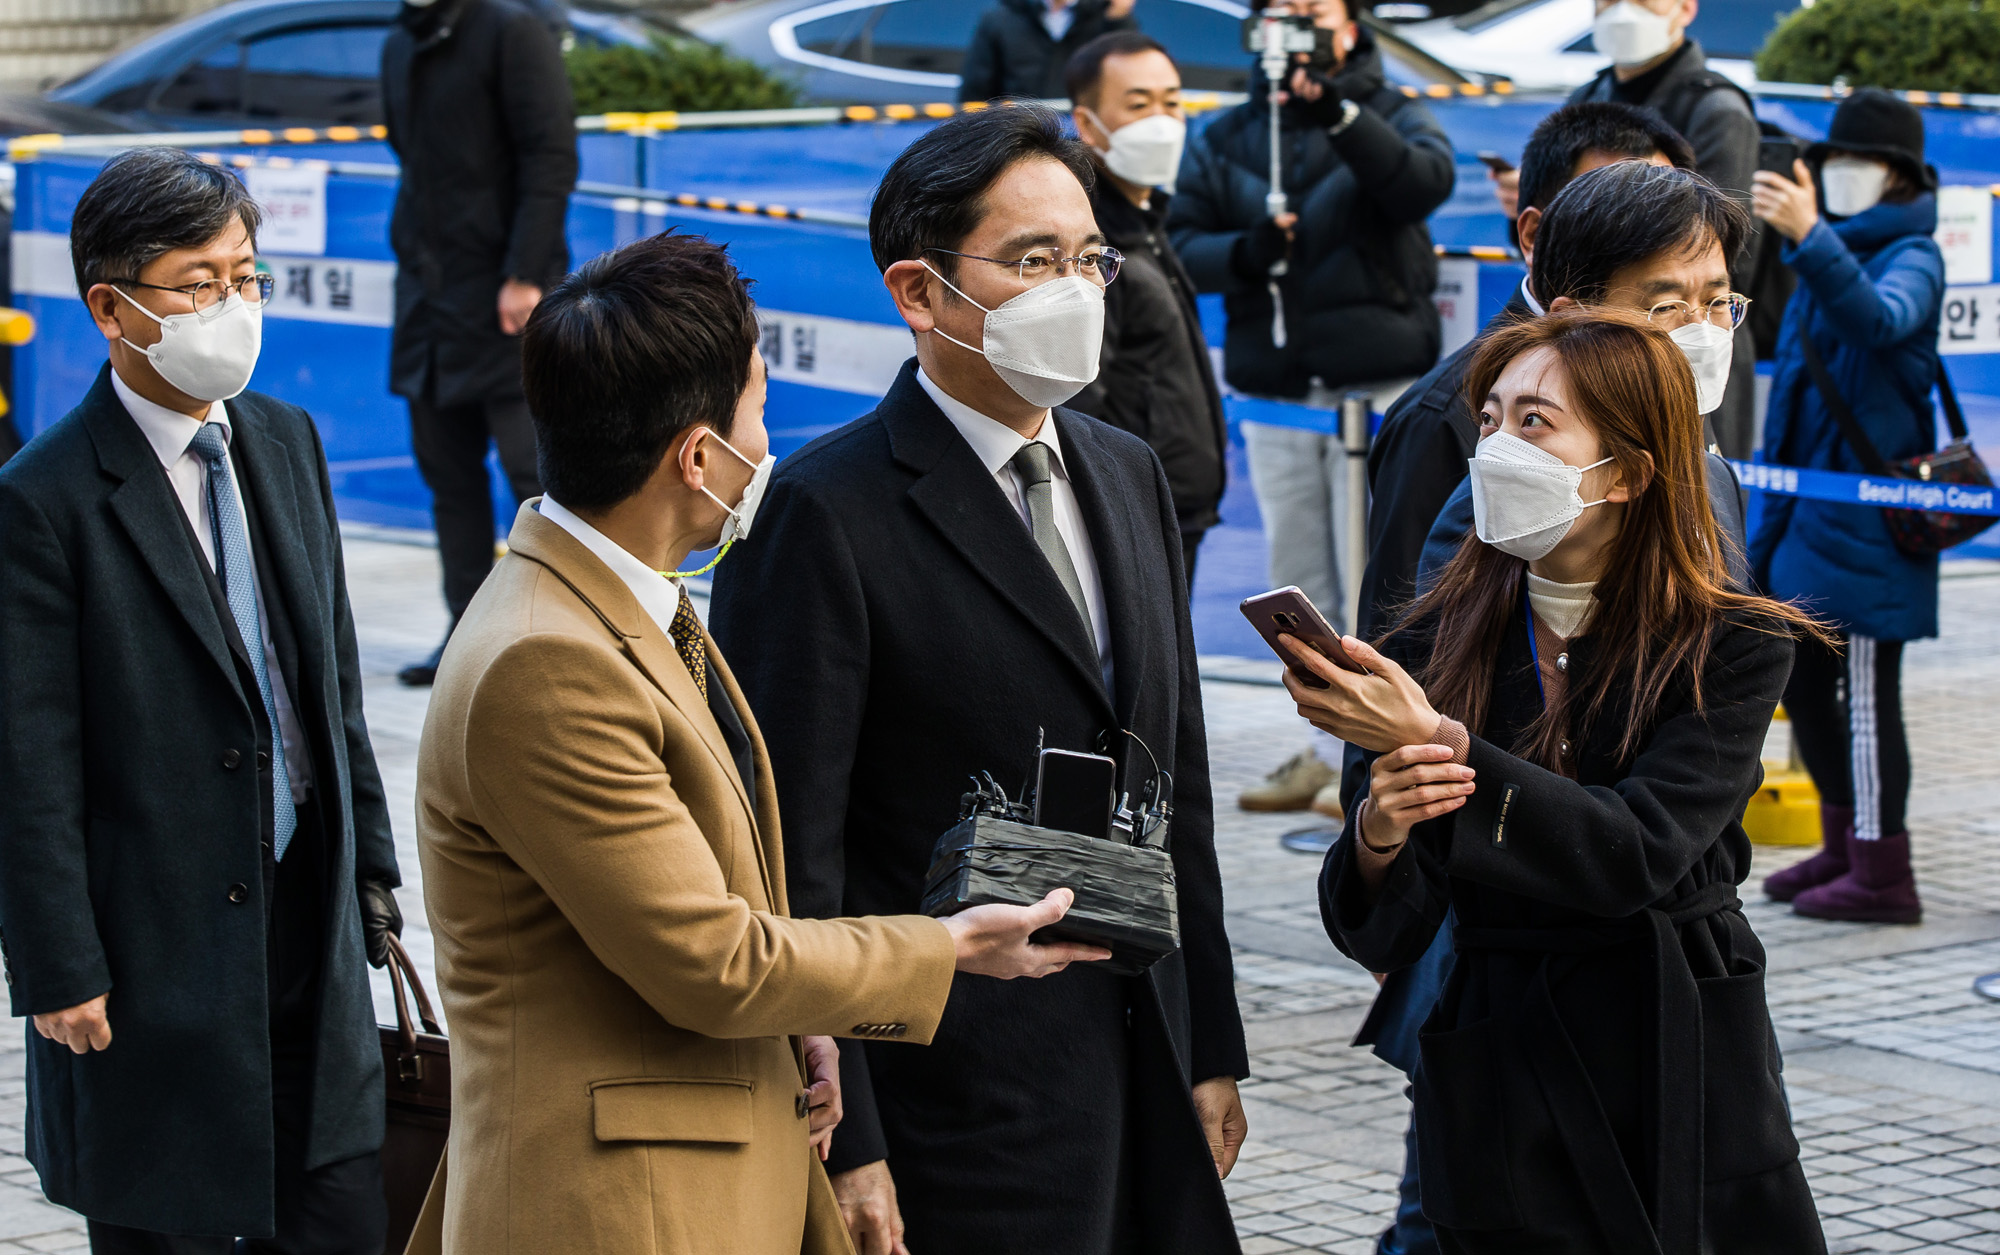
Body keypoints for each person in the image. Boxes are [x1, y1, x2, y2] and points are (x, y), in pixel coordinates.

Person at [406, 230, 1107, 1255]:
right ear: (697, 456)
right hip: (619, 1207)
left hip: (704, 1161)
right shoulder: (543, 660)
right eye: (758, 412)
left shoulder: (625, 605)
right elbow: (711, 959)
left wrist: (800, 1034)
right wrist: (950, 948)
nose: (766, 444)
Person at [710, 106, 1248, 1255]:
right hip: (952, 1090)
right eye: (1031, 261)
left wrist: (1210, 1046)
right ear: (919, 292)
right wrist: (852, 1138)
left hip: (1139, 1053)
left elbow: (1176, 784)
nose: (1076, 289)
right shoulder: (823, 512)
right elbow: (792, 850)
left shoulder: (1125, 469)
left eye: (1087, 258)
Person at [1302, 306, 1828, 1255]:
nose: (1498, 445)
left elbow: (1635, 852)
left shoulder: (1735, 640)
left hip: (1674, 1036)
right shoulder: (1430, 632)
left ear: (1627, 470)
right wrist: (1379, 832)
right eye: (1492, 419)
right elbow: (1380, 925)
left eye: (1535, 422)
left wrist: (1442, 746)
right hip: (1501, 1045)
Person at [0, 147, 404, 1253]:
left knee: (336, 1207)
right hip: (151, 950)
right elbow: (28, 762)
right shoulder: (43, 502)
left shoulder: (283, 440)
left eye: (245, 275)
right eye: (196, 283)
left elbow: (330, 675)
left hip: (304, 917)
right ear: (112, 308)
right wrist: (59, 967)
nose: (231, 305)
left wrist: (370, 867)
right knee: (171, 1214)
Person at [1342, 101, 1696, 1255]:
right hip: (1486, 962)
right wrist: (1390, 822)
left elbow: (1669, 817)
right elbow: (1391, 696)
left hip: (1658, 1004)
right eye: (1659, 302)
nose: (1685, 335)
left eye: (1710, 304)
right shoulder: (1469, 461)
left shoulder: (1702, 481)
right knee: (1445, 1213)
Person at [1169, 0, 1454, 813]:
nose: (1291, 21)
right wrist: (1247, 253)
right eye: (1274, 10)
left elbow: (1418, 185)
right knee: (1297, 580)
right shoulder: (1226, 134)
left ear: (1352, 24)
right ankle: (1321, 748)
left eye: (1311, 8)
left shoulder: (1388, 108)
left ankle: (1377, 754)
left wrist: (1338, 114)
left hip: (1377, 385)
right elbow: (1184, 244)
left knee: (1382, 571)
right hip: (1278, 387)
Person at [1751, 89, 1946, 925]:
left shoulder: (1915, 254)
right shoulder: (1816, 253)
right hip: (1807, 517)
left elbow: (1878, 322)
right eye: (1830, 162)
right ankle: (1841, 845)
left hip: (1870, 524)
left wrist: (1812, 236)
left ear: (1895, 175)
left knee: (1867, 701)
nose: (1836, 176)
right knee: (1805, 681)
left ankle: (1883, 871)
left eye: (1854, 164)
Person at [381, 0, 578, 686]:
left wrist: (526, 274)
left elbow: (550, 156)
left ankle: (555, 633)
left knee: (537, 473)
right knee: (447, 475)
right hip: (428, 301)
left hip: (506, 297)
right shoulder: (400, 44)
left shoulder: (511, 31)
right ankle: (465, 634)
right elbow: (411, 159)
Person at [1567, 0, 1762, 461]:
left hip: (1686, 334)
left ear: (1686, 8)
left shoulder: (1716, 108)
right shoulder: (1586, 98)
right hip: (1597, 341)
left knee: (1699, 503)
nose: (1623, 10)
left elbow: (1719, 249)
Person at [1066, 31, 1226, 586]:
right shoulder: (1088, 240)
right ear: (1087, 124)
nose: (1161, 120)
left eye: (1172, 102)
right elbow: (1080, 393)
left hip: (1175, 511)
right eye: (1138, 105)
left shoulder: (1149, 223)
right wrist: (1120, 496)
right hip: (1131, 514)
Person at [961, 0, 1136, 103]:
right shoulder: (1000, 19)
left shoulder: (1109, 18)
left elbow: (1126, 81)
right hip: (1014, 139)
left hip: (1083, 140)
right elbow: (975, 92)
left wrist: (1118, 21)